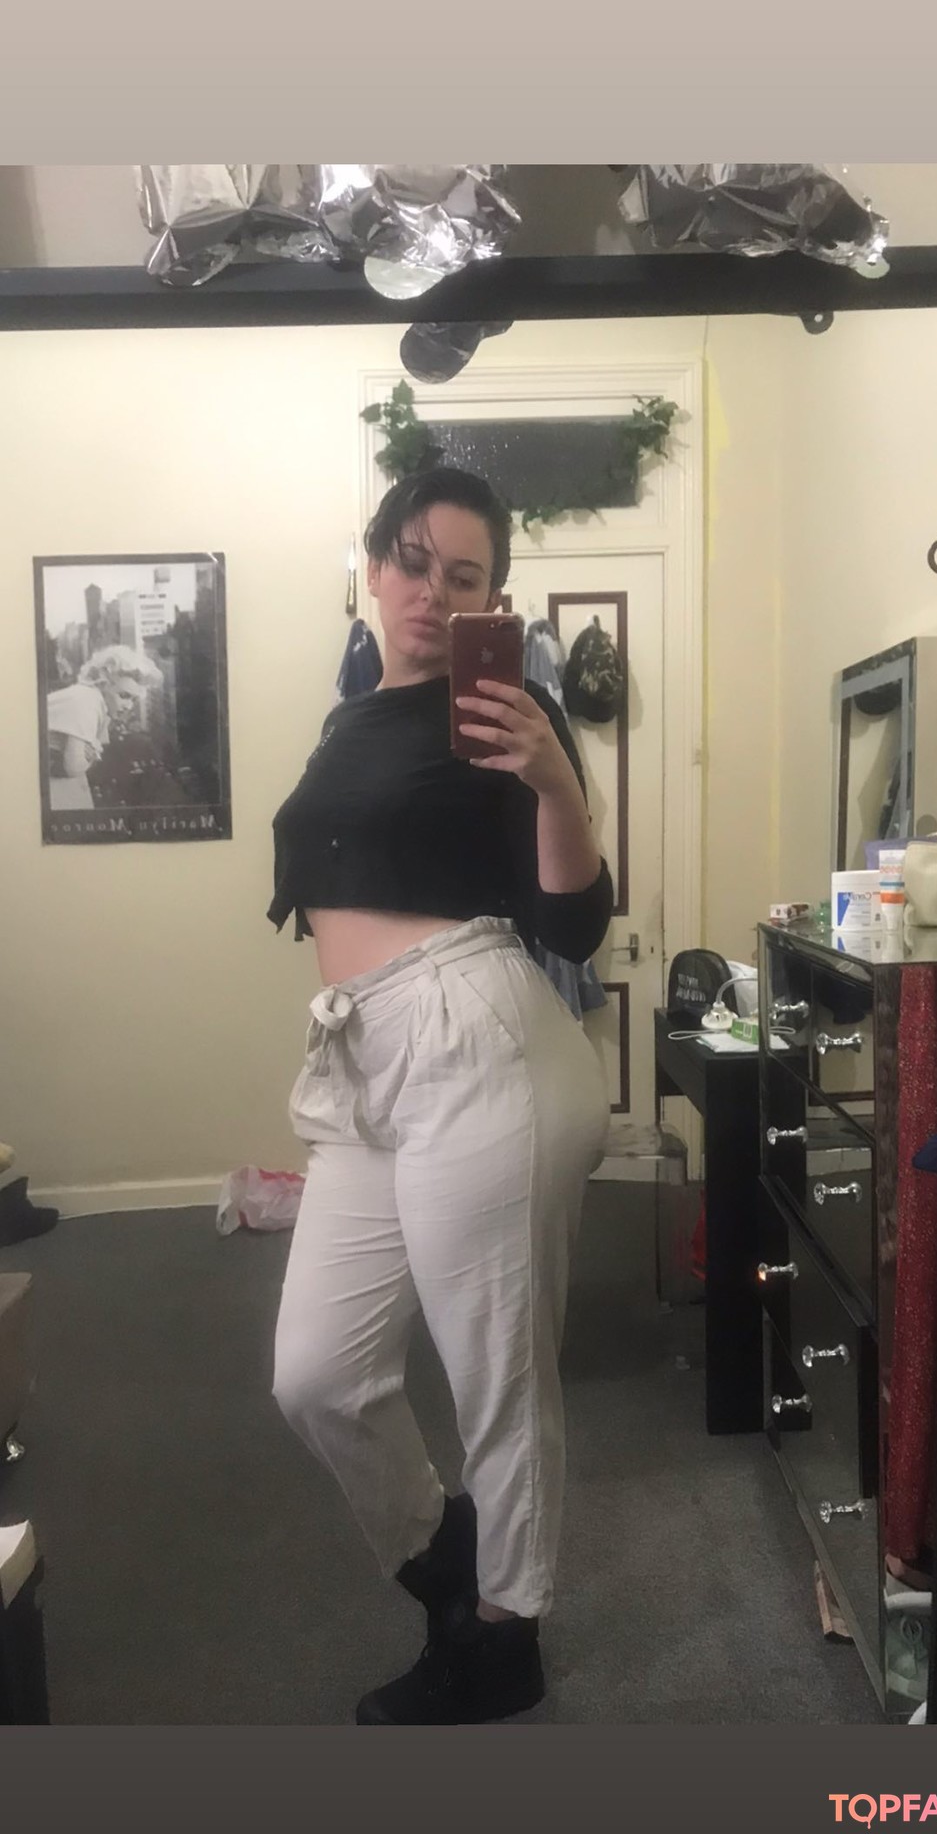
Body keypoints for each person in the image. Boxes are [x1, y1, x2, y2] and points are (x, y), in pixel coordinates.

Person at [268, 467, 613, 1726]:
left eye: (463, 577)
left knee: (496, 1376)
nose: (431, 592)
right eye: (412, 562)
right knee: (316, 1374)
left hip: (481, 1040)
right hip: (365, 1060)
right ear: (374, 568)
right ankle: (449, 1560)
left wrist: (556, 782)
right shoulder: (348, 722)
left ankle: (504, 1642)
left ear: (493, 602)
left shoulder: (507, 716)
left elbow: (574, 922)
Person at [46, 645, 161, 811]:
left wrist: (90, 753)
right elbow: (73, 767)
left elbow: (83, 762)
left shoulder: (96, 703)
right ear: (103, 684)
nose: (128, 706)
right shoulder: (87, 701)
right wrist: (92, 753)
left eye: (133, 700)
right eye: (124, 696)